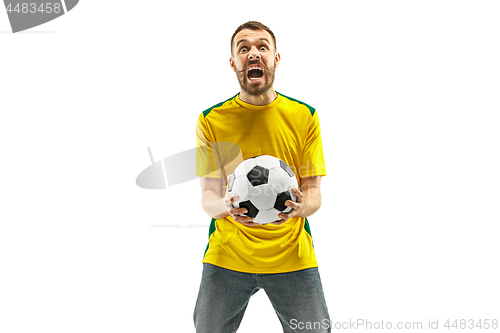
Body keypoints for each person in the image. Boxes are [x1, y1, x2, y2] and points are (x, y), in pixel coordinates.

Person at [194, 21, 331, 333]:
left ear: (275, 59)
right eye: (244, 48)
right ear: (234, 63)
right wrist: (224, 207)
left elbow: (314, 193)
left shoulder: (304, 116)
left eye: (261, 47)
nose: (253, 53)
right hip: (228, 255)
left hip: (291, 254)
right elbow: (207, 196)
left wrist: (302, 207)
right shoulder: (211, 120)